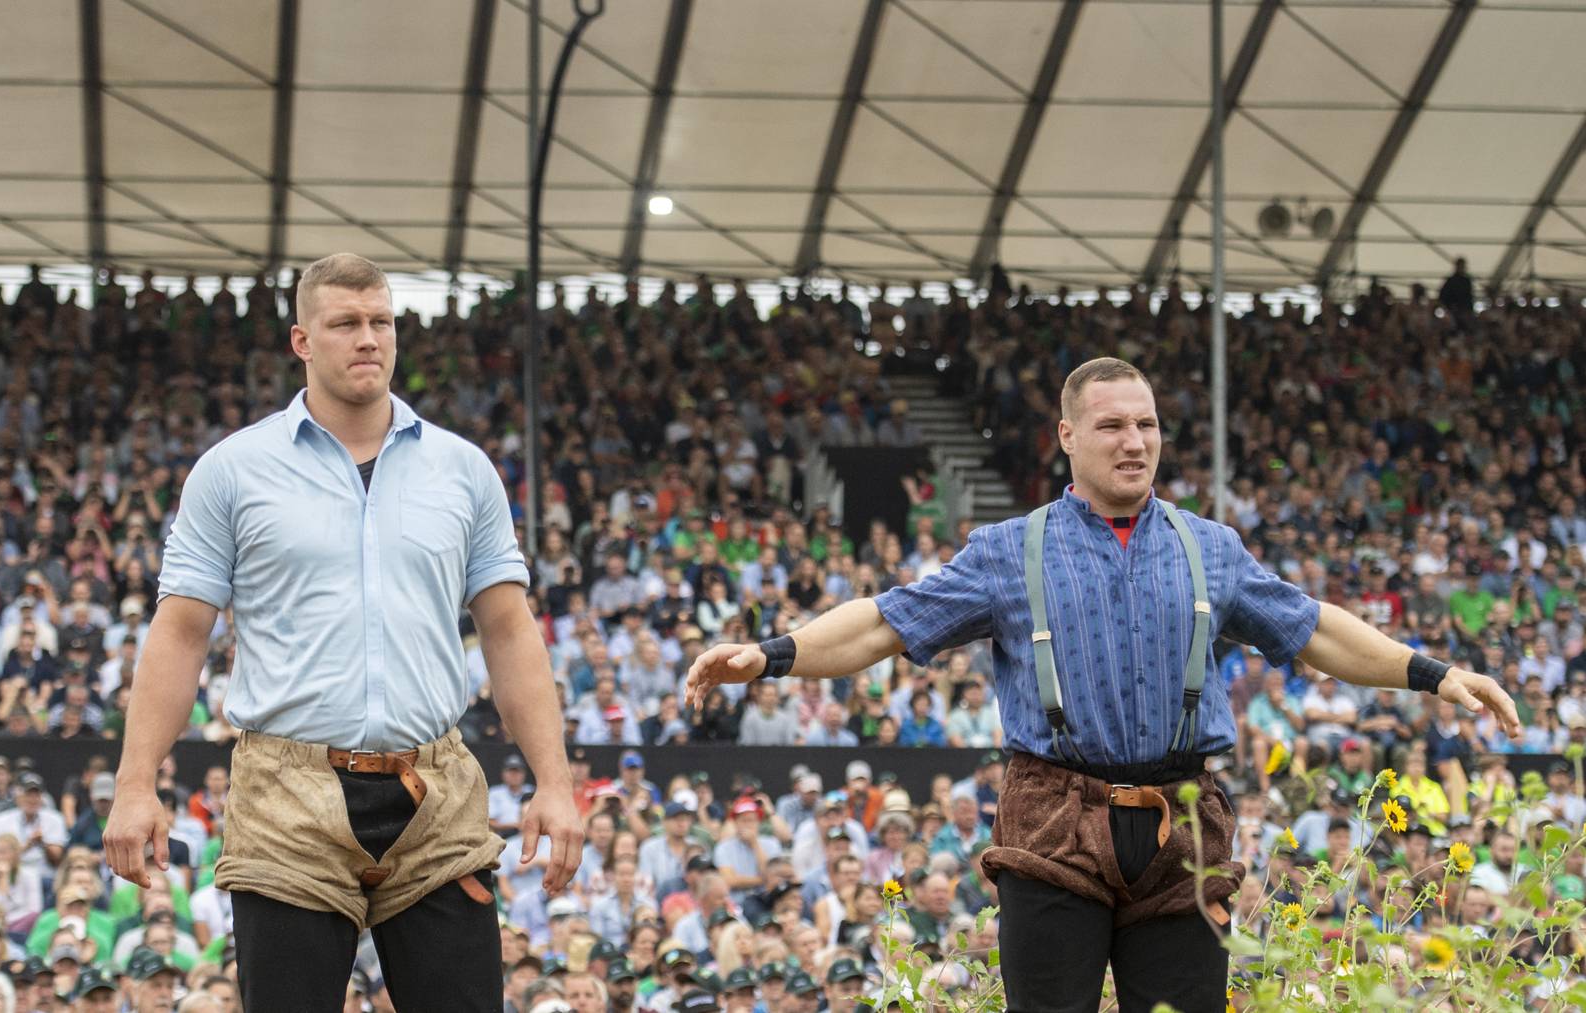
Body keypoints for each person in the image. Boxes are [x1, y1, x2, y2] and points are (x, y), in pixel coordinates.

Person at [686, 357, 1520, 1012]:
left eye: (1148, 424)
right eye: (1112, 424)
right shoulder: (1009, 548)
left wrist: (1437, 676)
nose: (1135, 440)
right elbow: (884, 620)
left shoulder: (1210, 547)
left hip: (1183, 821)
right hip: (1054, 818)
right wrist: (772, 652)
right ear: (1067, 437)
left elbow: (1317, 628)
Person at [104, 253, 582, 1012]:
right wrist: (135, 785)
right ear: (302, 341)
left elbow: (509, 630)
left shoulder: (464, 469)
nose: (369, 339)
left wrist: (555, 783)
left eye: (382, 322)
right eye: (347, 323)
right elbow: (180, 633)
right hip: (287, 794)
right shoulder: (232, 471)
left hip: (436, 793)